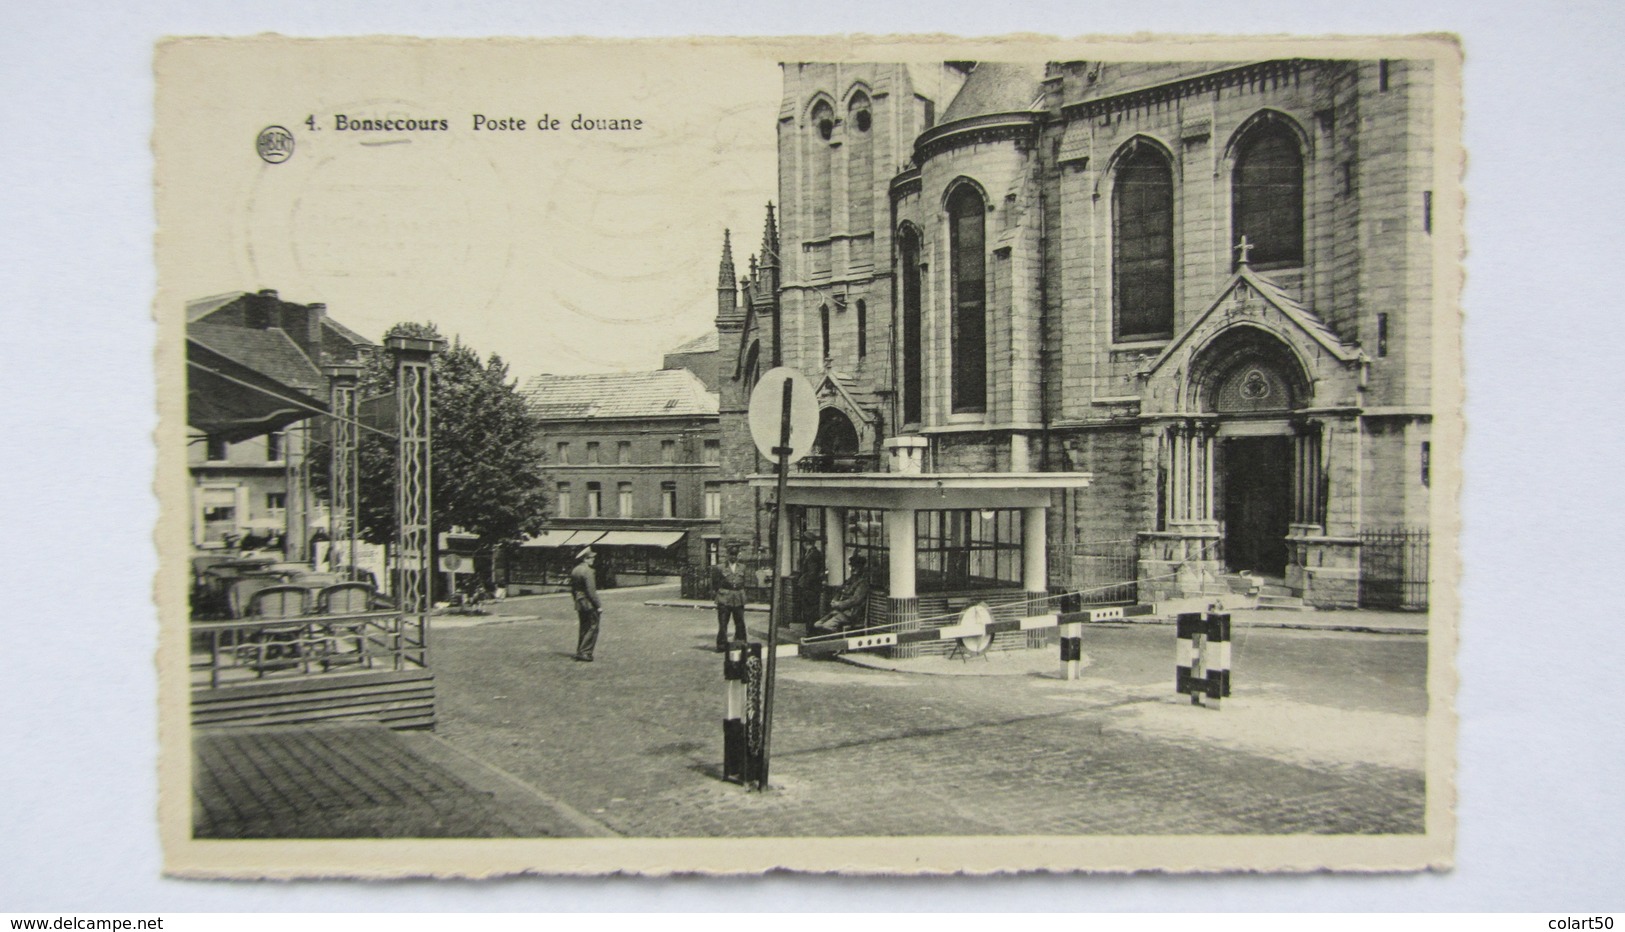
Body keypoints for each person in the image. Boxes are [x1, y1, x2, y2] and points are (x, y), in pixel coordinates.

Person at [811, 553, 870, 635]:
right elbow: (839, 591)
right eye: (852, 566)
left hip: (851, 614)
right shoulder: (850, 580)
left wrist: (840, 604)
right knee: (817, 624)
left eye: (856, 567)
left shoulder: (863, 584)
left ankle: (838, 642)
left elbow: (855, 600)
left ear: (861, 568)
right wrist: (834, 600)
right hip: (839, 612)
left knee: (826, 626)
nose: (853, 569)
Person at [711, 542, 749, 652]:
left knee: (740, 622)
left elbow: (745, 582)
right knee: (723, 623)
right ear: (727, 555)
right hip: (724, 598)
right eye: (731, 554)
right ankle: (722, 645)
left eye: (735, 554)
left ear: (738, 555)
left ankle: (741, 643)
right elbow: (715, 583)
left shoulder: (742, 567)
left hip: (738, 597)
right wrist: (719, 593)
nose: (733, 556)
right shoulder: (720, 567)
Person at [569, 548, 602, 662]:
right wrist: (598, 605)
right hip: (588, 602)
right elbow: (591, 591)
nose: (592, 560)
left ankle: (580, 650)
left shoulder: (575, 570)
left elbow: (573, 589)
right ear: (585, 559)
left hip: (579, 602)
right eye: (590, 558)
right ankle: (585, 652)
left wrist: (576, 600)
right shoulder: (588, 571)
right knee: (593, 626)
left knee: (584, 626)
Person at [796, 534, 826, 625]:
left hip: (810, 588)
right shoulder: (811, 553)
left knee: (810, 611)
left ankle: (811, 633)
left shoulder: (813, 555)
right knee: (809, 610)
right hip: (810, 587)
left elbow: (812, 573)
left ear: (806, 543)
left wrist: (804, 584)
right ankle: (810, 631)